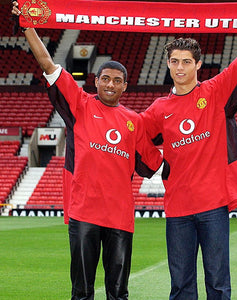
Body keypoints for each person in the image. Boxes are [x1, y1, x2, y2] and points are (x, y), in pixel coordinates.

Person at [141, 2, 237, 299]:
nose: (181, 67)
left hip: (213, 206)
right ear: (168, 64)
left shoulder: (214, 91)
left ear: (198, 65)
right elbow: (134, 137)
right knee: (181, 284)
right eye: (175, 61)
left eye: (187, 61)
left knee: (218, 283)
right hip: (177, 209)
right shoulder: (158, 109)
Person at [12, 2, 163, 300]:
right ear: (96, 82)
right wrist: (28, 26)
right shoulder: (80, 105)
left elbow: (152, 164)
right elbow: (48, 65)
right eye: (105, 79)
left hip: (120, 217)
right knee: (82, 291)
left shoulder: (135, 122)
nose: (110, 84)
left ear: (125, 87)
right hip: (85, 214)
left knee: (118, 292)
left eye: (117, 81)